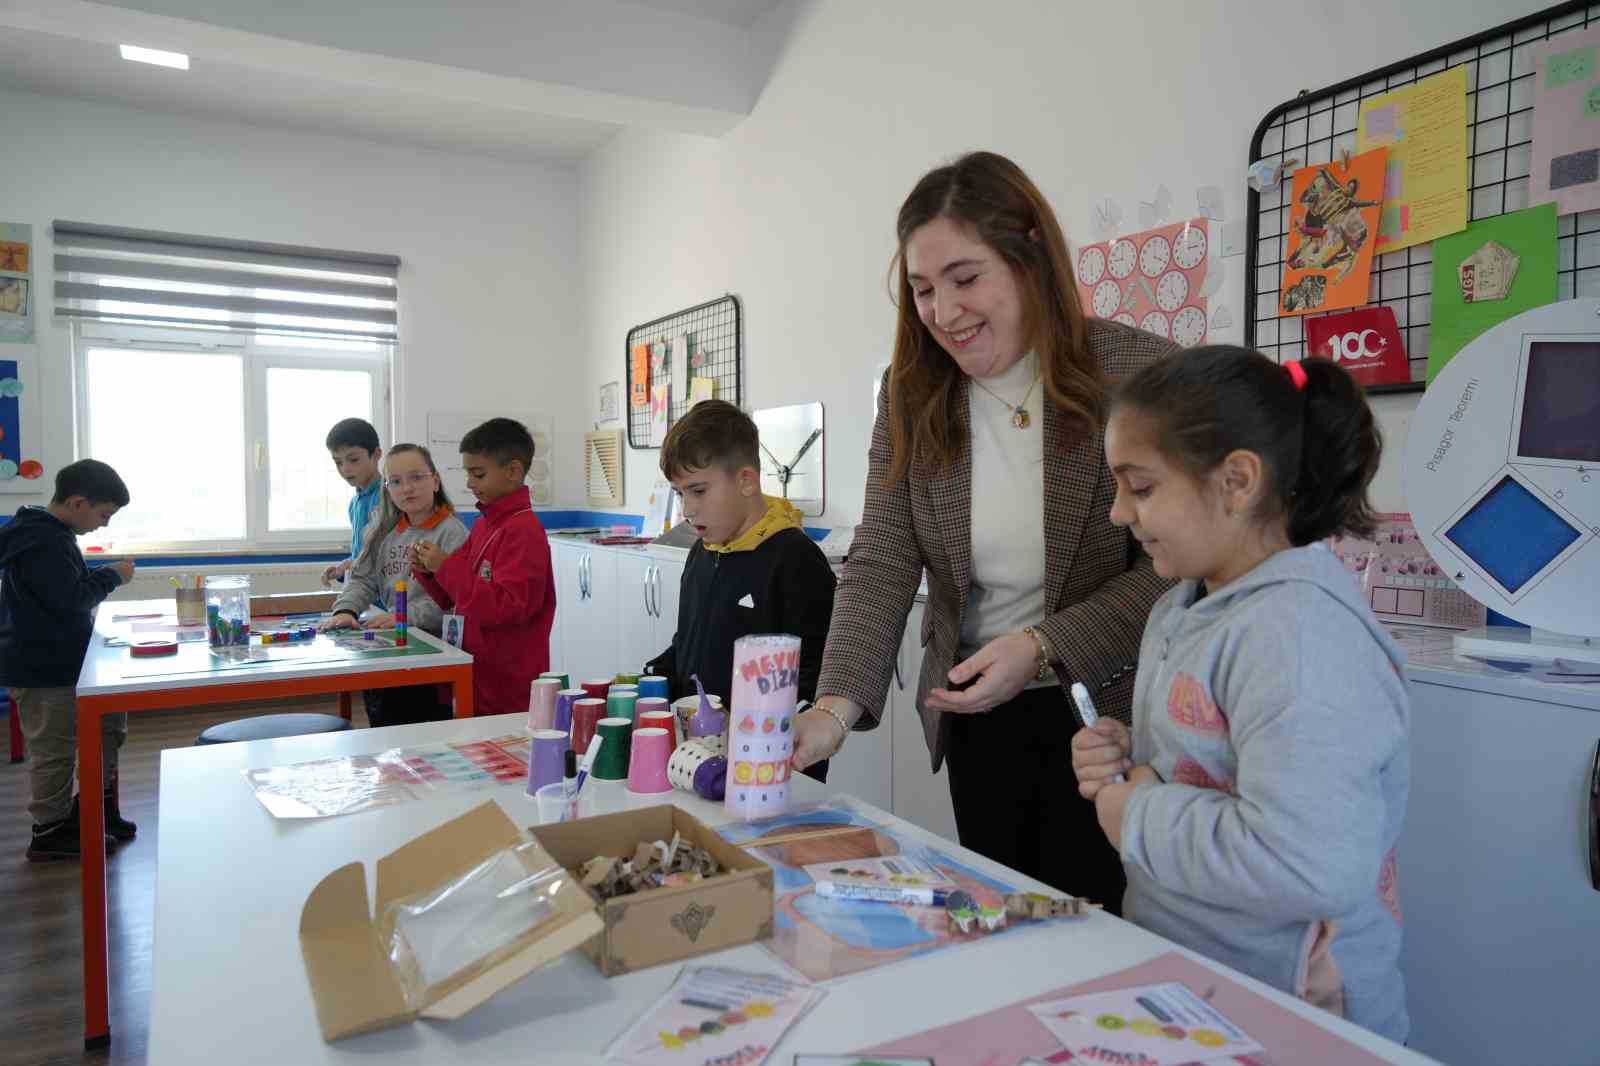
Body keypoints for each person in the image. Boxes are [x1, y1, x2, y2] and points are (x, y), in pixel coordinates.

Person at [791, 151, 1176, 909]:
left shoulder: (1138, 374)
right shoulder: (913, 394)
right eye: (924, 289)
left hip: (1110, 715)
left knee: (1100, 930)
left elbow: (1174, 567)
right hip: (976, 714)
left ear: (1029, 257)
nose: (943, 311)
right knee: (1005, 920)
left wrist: (1043, 646)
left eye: (966, 279)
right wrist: (832, 709)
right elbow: (882, 557)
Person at [1072, 348, 1409, 1041]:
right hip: (1195, 982)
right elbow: (1217, 757)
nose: (1116, 513)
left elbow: (1309, 863)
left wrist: (1135, 812)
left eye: (1139, 487)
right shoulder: (1182, 605)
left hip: (1294, 1007)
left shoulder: (1303, 636)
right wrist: (1133, 754)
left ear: (1236, 481)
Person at [644, 399, 837, 782]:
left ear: (746, 481)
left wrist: (757, 725)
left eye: (698, 491)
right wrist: (649, 680)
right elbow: (689, 644)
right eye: (680, 493)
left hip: (775, 766)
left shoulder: (795, 558)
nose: (687, 508)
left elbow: (822, 673)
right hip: (702, 755)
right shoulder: (703, 552)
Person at [0, 460, 136, 861]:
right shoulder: (42, 540)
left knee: (109, 725)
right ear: (78, 503)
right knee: (54, 752)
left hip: (68, 660)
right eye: (103, 515)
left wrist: (99, 573)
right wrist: (111, 576)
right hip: (42, 668)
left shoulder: (50, 535)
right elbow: (71, 600)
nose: (103, 525)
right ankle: (50, 831)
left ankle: (96, 809)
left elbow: (62, 587)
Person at [410, 418, 554, 714]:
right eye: (468, 473)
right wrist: (429, 570)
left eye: (478, 474)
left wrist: (445, 567)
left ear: (513, 471)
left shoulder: (524, 531)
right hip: (475, 668)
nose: (469, 483)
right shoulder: (484, 524)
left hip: (507, 682)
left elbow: (507, 608)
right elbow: (454, 597)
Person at [322, 444, 469, 727]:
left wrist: (405, 616)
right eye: (397, 482)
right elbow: (363, 578)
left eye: (417, 478)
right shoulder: (384, 531)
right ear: (387, 488)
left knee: (423, 741)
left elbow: (455, 601)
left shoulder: (452, 533)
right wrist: (346, 611)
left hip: (432, 658)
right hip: (388, 649)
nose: (407, 488)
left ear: (435, 481)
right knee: (384, 732)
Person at [321, 418, 383, 587]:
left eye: (353, 460)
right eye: (338, 462)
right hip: (363, 595)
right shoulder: (354, 503)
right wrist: (343, 567)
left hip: (387, 598)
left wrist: (354, 564)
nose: (345, 469)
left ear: (376, 455)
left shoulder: (390, 497)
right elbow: (362, 553)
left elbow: (389, 555)